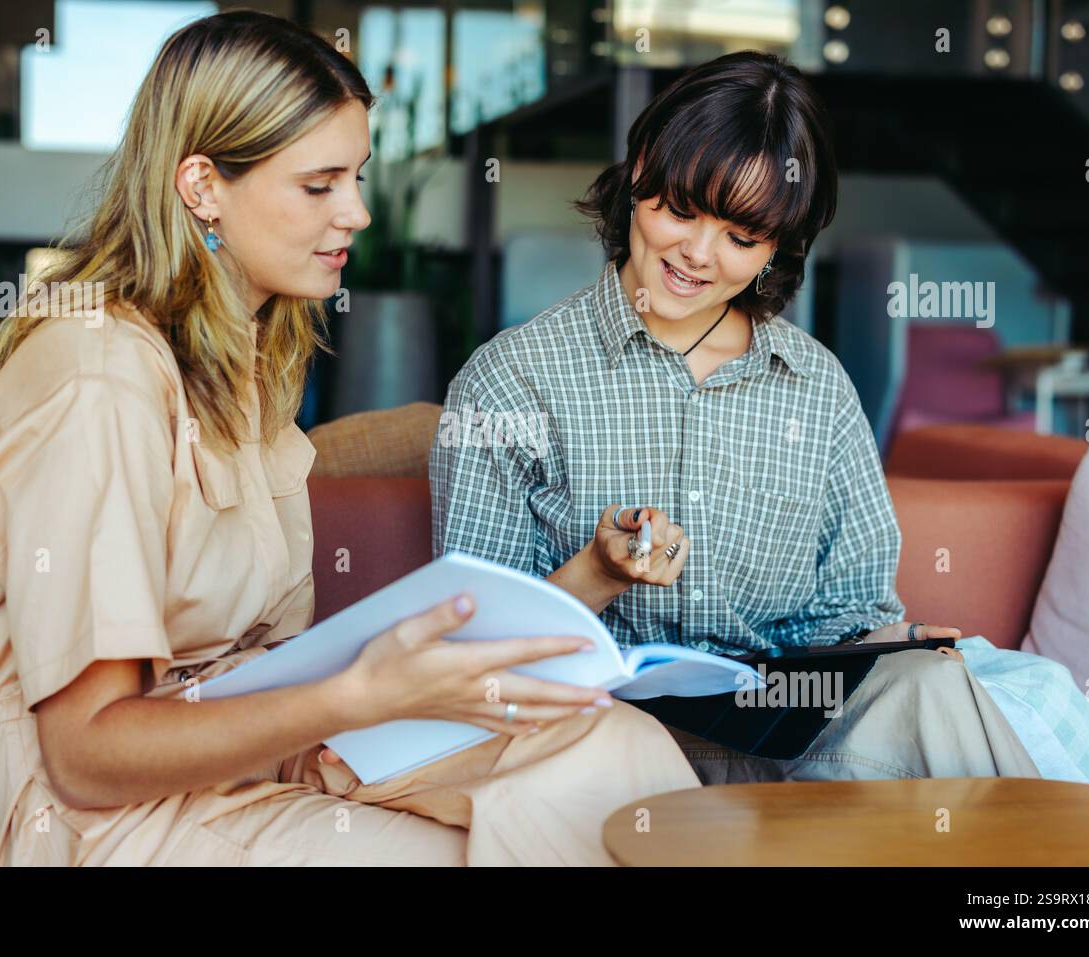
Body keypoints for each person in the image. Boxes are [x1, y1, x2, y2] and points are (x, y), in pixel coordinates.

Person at [0, 10, 698, 867]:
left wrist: (503, 481)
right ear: (201, 186)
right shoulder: (94, 378)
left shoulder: (248, 356)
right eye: (320, 184)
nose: (360, 212)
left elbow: (248, 511)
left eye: (359, 176)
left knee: (610, 750)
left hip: (268, 749)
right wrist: (352, 696)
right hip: (113, 821)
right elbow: (86, 754)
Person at [430, 51, 1041, 784]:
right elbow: (472, 645)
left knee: (938, 687)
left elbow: (846, 613)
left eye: (741, 237)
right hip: (595, 736)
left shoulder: (815, 387)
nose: (696, 254)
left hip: (784, 741)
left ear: (778, 245)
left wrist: (892, 640)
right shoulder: (513, 379)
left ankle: (1038, 898)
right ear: (641, 169)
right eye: (680, 210)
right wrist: (599, 571)